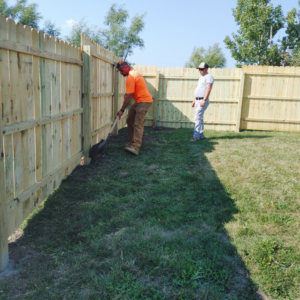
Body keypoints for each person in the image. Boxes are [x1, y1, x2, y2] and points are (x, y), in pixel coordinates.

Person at [117, 61, 153, 156]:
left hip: (144, 101)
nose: (121, 73)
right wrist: (128, 95)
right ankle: (133, 142)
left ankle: (135, 147)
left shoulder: (131, 76)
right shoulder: (134, 73)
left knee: (138, 123)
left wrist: (121, 110)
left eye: (121, 71)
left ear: (126, 67)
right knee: (130, 120)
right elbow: (132, 92)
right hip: (138, 101)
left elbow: (128, 97)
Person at [190, 62, 214, 141]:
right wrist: (194, 100)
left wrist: (204, 99)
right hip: (197, 100)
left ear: (206, 69)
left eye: (201, 69)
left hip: (202, 100)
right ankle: (200, 135)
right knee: (199, 118)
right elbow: (198, 89)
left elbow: (208, 88)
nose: (200, 71)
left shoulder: (208, 77)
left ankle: (196, 136)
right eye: (199, 69)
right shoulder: (201, 78)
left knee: (197, 118)